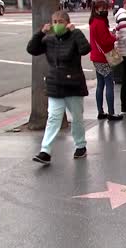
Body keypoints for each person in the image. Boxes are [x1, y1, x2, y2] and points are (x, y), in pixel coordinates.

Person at [27, 11, 91, 165]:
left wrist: (75, 31)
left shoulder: (74, 37)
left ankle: (80, 145)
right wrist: (40, 32)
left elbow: (85, 49)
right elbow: (32, 49)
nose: (57, 25)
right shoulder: (49, 40)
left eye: (60, 21)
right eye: (54, 22)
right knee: (53, 118)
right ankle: (45, 151)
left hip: (73, 85)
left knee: (76, 118)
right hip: (55, 85)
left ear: (67, 23)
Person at [89, 0, 123, 121]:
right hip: (103, 58)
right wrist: (114, 37)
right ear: (97, 9)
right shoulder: (100, 22)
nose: (104, 10)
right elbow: (105, 41)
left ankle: (100, 111)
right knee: (109, 84)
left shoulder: (93, 21)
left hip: (96, 57)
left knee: (100, 84)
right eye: (102, 8)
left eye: (105, 8)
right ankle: (111, 112)